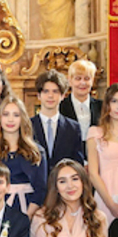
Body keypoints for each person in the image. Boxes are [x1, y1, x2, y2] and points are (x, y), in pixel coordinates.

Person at [0, 95, 47, 219]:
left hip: (29, 212)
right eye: (6, 114)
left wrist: (26, 217)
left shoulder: (36, 152)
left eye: (16, 115)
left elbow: (41, 190)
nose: (10, 120)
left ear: (23, 119)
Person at [31, 69, 84, 172]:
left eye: (55, 91)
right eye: (46, 91)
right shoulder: (27, 126)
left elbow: (77, 164)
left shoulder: (73, 128)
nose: (50, 96)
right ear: (38, 95)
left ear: (63, 96)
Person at [87, 83, 118, 225]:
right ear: (107, 104)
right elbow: (93, 174)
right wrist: (111, 205)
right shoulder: (95, 133)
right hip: (105, 195)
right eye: (114, 101)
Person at [60, 60, 102, 157]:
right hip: (68, 160)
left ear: (92, 81)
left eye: (87, 78)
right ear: (70, 81)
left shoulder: (102, 107)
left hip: (98, 159)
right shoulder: (60, 107)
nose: (82, 83)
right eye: (78, 78)